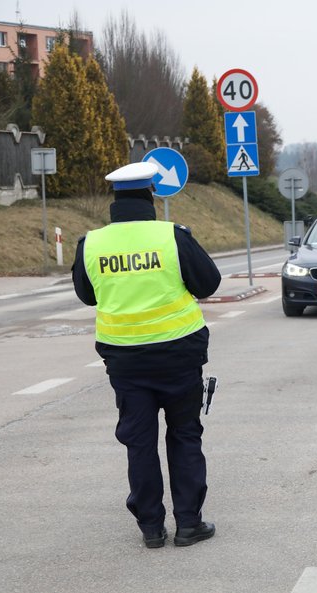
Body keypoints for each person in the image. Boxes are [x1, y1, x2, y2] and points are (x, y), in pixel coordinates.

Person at [71, 161, 222, 548]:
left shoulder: (91, 243)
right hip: (179, 355)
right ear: (151, 196)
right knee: (185, 435)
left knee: (139, 443)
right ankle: (189, 524)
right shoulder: (172, 237)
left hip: (126, 362)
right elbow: (209, 283)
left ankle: (151, 528)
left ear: (114, 202)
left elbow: (87, 295)